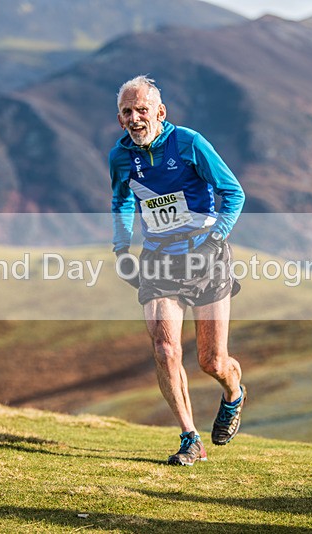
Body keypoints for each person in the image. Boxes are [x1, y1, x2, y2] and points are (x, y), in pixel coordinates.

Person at [109, 75, 246, 466]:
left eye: (142, 110)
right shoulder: (120, 157)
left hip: (205, 257)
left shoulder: (189, 143)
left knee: (211, 362)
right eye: (126, 112)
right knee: (165, 347)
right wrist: (122, 247)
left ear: (160, 112)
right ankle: (190, 438)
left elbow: (233, 192)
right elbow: (120, 201)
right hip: (159, 260)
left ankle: (233, 394)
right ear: (120, 118)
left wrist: (216, 238)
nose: (135, 119)